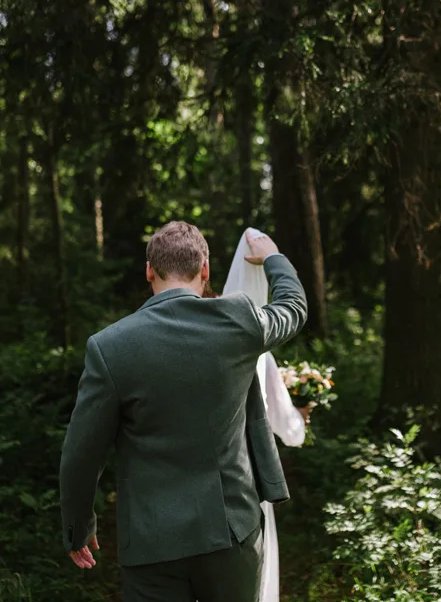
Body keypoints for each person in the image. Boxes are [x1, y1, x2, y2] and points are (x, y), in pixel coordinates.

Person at [59, 222, 308, 602]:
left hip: (151, 542)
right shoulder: (239, 320)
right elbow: (293, 307)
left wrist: (79, 525)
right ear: (205, 269)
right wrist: (273, 257)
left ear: (148, 271)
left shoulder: (109, 347)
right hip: (232, 532)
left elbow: (81, 451)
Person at [221, 228, 310, 602]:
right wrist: (301, 420)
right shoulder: (262, 354)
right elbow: (288, 430)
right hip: (248, 478)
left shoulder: (207, 338)